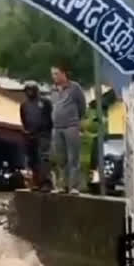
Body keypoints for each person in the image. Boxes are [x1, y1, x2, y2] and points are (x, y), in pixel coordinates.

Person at [50, 63, 86, 194]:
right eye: (52, 74)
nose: (54, 76)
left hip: (71, 126)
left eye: (56, 73)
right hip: (56, 127)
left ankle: (74, 186)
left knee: (73, 158)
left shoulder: (74, 87)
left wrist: (76, 120)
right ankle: (62, 185)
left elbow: (82, 105)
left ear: (64, 74)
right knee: (61, 158)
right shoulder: (52, 89)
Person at [19, 81, 53, 191]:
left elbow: (51, 117)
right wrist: (27, 131)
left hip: (43, 134)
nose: (29, 92)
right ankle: (36, 182)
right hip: (30, 134)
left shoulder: (45, 102)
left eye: (31, 90)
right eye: (27, 90)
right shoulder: (24, 105)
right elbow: (24, 119)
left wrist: (48, 130)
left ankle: (47, 183)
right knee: (33, 159)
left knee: (43, 158)